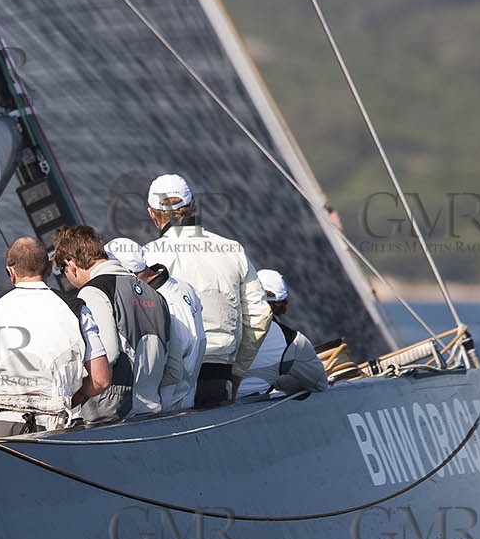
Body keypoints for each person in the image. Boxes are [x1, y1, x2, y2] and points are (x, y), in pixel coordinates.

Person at [140, 173, 269, 406]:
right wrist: (237, 371)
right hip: (219, 372)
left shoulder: (146, 257)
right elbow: (261, 316)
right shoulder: (232, 249)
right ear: (192, 206)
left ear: (151, 213)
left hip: (172, 375)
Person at [0, 237, 110, 437]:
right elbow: (101, 379)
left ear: (10, 272)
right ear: (48, 269)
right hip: (56, 425)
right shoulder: (76, 308)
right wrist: (74, 395)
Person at [53, 225, 170, 423]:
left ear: (71, 264)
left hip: (114, 416)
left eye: (63, 271)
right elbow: (172, 363)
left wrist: (78, 393)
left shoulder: (93, 292)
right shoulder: (156, 294)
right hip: (153, 412)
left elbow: (108, 354)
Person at [106, 237, 203, 413]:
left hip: (170, 405)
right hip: (186, 397)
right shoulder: (183, 286)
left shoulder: (160, 302)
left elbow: (173, 366)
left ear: (128, 273)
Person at [236, 269, 329, 398]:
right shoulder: (294, 342)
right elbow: (320, 385)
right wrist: (282, 382)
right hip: (243, 407)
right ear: (280, 304)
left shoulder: (220, 323)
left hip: (204, 402)